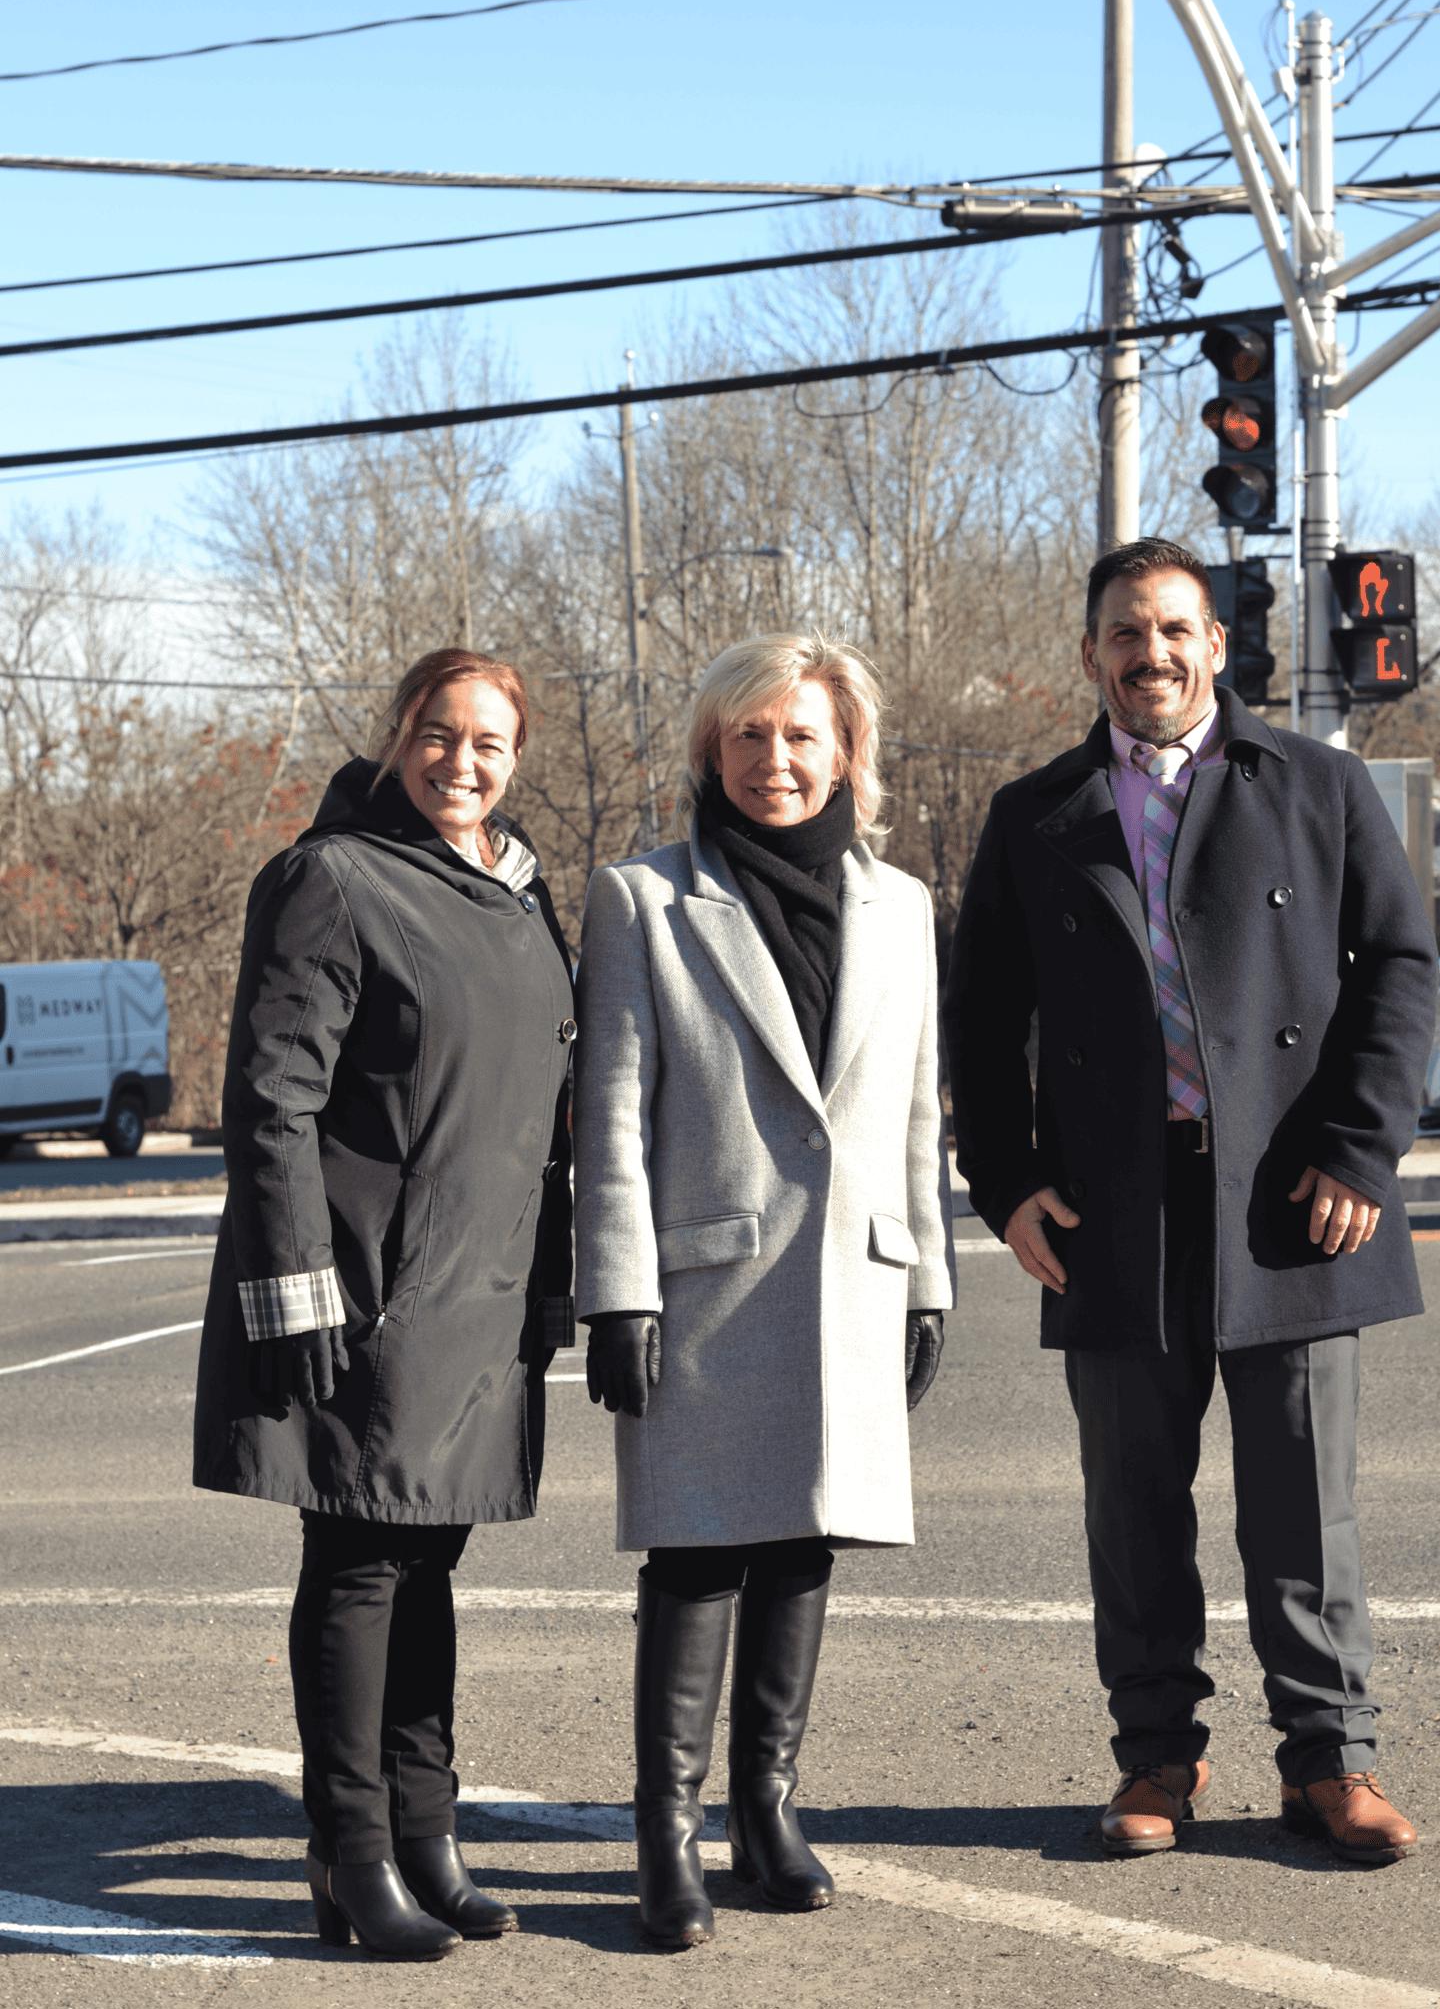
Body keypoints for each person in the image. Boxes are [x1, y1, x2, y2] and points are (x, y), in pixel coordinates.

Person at [944, 539, 1437, 1867]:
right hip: (1115, 1207)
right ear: (1088, 654)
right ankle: (1156, 1758)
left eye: (1173, 630)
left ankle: (1331, 1764)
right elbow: (982, 1023)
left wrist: (1358, 1149)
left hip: (1292, 1197)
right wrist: (1006, 1185)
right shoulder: (1035, 816)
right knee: (1134, 1507)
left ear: (1216, 645)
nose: (1149, 655)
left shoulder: (1316, 787)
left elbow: (1399, 972)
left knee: (1301, 1508)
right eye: (1123, 634)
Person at [573, 631, 954, 1949]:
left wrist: (928, 1274)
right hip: (704, 1281)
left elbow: (914, 1105)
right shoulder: (643, 900)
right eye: (750, 737)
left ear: (846, 751)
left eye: (802, 736)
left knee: (804, 1540)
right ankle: (665, 1837)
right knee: (694, 1553)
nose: (775, 760)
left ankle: (765, 1811)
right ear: (711, 751)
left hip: (852, 1274)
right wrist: (615, 1288)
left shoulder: (900, 906)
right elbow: (612, 1105)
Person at [193, 647, 576, 1959]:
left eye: (488, 743)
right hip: (364, 1287)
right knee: (359, 1565)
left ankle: (429, 1836)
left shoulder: (521, 895)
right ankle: (349, 1855)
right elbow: (274, 1100)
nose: (461, 763)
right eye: (437, 733)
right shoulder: (333, 878)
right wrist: (294, 1288)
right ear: (398, 732)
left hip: (486, 1286)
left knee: (432, 1559)